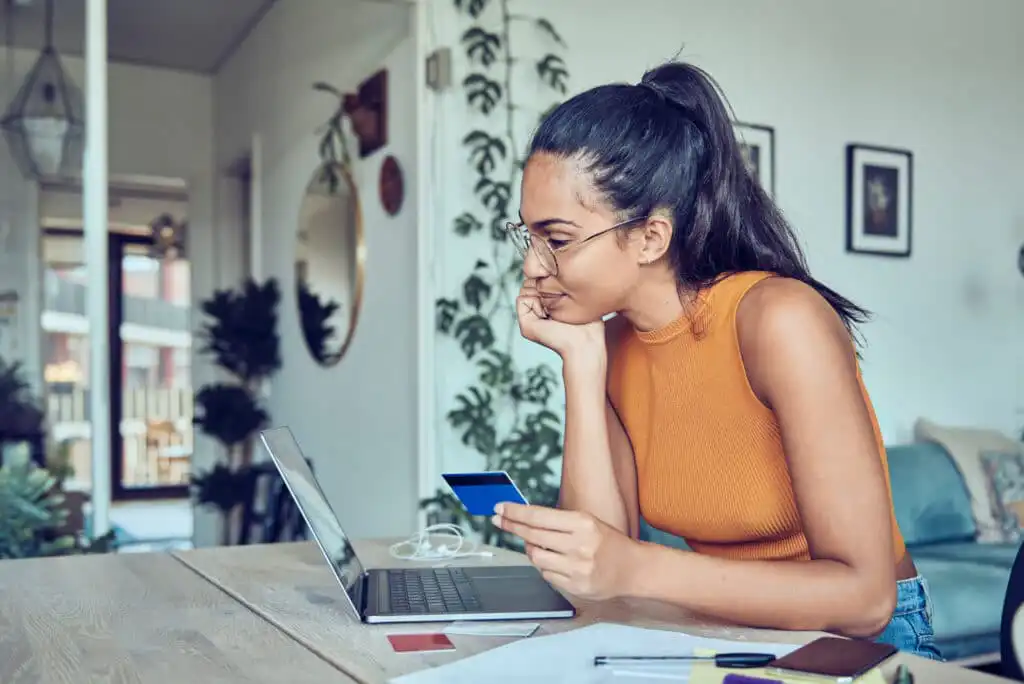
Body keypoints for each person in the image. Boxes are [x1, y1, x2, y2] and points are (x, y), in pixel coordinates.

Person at [489, 60, 943, 661]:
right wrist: (580, 360)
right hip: (726, 634)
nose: (533, 266)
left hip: (860, 645)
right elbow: (601, 582)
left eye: (560, 238)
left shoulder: (779, 320)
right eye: (528, 236)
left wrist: (636, 569)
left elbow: (865, 598)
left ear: (651, 236)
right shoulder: (614, 344)